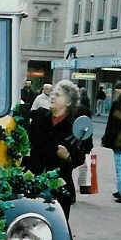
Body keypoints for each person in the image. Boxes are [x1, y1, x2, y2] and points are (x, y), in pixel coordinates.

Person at [26, 80, 91, 220]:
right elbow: (20, 114)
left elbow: (80, 158)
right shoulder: (40, 116)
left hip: (60, 187)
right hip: (33, 182)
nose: (53, 97)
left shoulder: (75, 127)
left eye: (58, 95)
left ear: (68, 102)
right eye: (53, 93)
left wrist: (68, 157)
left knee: (58, 224)